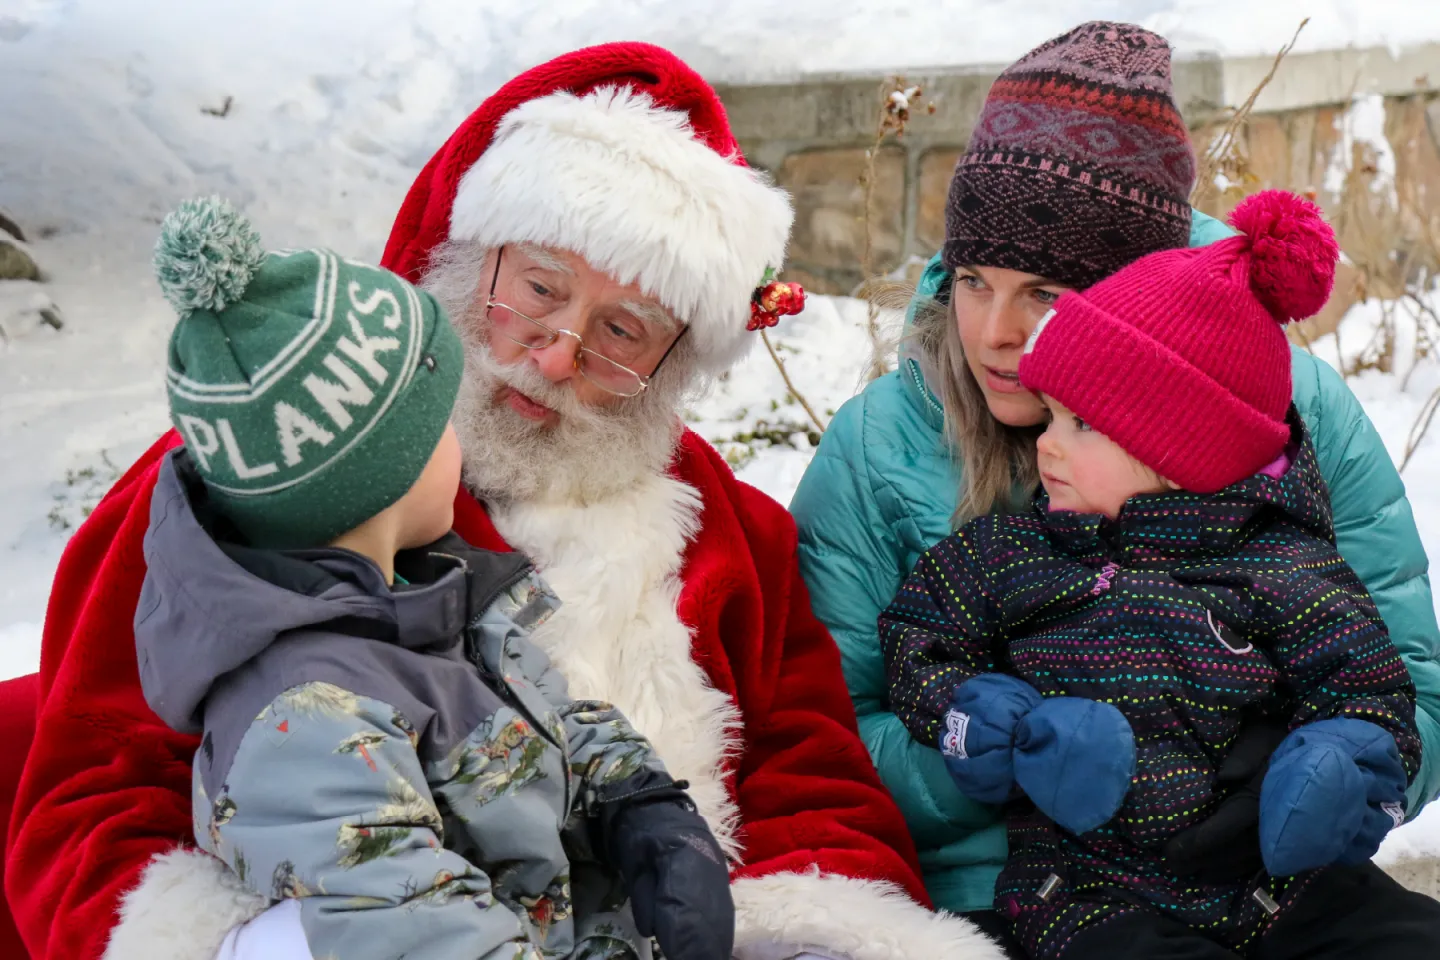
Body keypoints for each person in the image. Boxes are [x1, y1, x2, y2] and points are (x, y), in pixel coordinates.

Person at [4, 42, 1004, 960]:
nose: (560, 351)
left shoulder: (729, 535)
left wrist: (798, 927)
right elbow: (94, 798)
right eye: (536, 288)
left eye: (623, 330)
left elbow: (811, 783)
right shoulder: (261, 473)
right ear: (459, 252)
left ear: (676, 362)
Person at [790, 19, 1440, 954]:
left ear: (1132, 286)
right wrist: (1003, 753)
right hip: (1021, 896)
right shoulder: (878, 447)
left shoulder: (1277, 407)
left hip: (1276, 879)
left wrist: (1310, 771)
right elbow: (828, 739)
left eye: (1045, 293)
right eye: (974, 280)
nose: (994, 334)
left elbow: (1404, 680)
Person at [135, 197, 735, 960]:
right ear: (381, 477)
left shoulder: (425, 592)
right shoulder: (308, 721)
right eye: (436, 423)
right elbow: (428, 934)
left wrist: (637, 799)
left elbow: (531, 717)